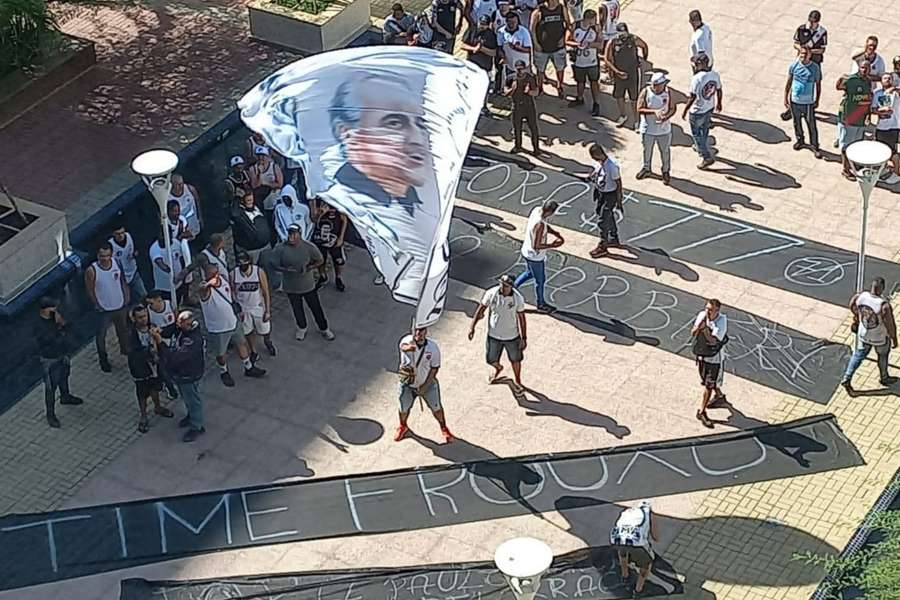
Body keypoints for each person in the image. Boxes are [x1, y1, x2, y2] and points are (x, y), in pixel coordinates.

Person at [199, 261, 267, 387]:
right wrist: (209, 284)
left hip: (233, 322)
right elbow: (202, 289)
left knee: (241, 344)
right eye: (211, 275)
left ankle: (248, 366)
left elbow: (230, 295)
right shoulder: (205, 289)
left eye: (215, 273)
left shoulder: (223, 281)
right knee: (221, 353)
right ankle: (224, 371)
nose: (215, 276)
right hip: (218, 329)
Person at [271, 223, 336, 341]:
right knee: (297, 308)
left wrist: (310, 267)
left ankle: (324, 328)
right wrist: (286, 270)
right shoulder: (280, 248)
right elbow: (274, 265)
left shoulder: (308, 247)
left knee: (316, 308)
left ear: (299, 234)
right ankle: (302, 327)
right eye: (290, 233)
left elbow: (320, 259)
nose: (291, 236)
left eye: (294, 234)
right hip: (291, 286)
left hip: (308, 285)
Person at [468, 274, 527, 390]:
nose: (503, 287)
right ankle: (498, 368)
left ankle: (518, 381)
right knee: (490, 359)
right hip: (494, 335)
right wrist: (472, 326)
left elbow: (522, 319)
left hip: (512, 336)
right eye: (501, 284)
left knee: (515, 359)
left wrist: (524, 338)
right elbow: (481, 309)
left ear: (511, 286)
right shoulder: (491, 293)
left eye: (506, 285)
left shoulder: (518, 298)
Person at [395, 327, 453, 443]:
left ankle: (444, 427)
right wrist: (409, 348)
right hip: (407, 384)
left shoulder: (433, 348)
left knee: (436, 408)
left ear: (426, 332)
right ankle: (403, 426)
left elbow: (434, 368)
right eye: (416, 330)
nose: (418, 333)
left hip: (427, 384)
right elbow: (402, 347)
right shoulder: (406, 341)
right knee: (403, 408)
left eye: (421, 331)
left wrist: (425, 386)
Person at [842, 277, 898, 393]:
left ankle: (847, 377)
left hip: (864, 335)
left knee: (857, 356)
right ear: (882, 288)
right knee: (882, 356)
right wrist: (894, 338)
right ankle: (884, 377)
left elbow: (852, 304)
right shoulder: (883, 305)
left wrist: (857, 317)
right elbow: (890, 324)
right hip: (880, 338)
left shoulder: (861, 297)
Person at [157, 310, 206, 442]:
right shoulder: (183, 329)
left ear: (189, 324)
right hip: (181, 373)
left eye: (181, 323)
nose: (177, 325)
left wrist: (160, 342)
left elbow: (175, 357)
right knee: (187, 398)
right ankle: (191, 416)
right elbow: (173, 328)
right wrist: (161, 330)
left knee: (193, 400)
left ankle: (197, 426)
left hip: (189, 375)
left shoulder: (192, 340)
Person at [34, 297, 83, 428]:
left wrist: (62, 324)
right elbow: (48, 341)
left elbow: (69, 327)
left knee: (64, 375)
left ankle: (65, 396)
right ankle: (50, 414)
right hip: (50, 359)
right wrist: (60, 329)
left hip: (62, 353)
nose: (55, 309)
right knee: (51, 386)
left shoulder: (55, 317)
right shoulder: (39, 325)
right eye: (52, 307)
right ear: (45, 309)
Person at [126, 304, 174, 433]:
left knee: (155, 387)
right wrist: (149, 351)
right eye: (140, 317)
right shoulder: (131, 333)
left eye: (145, 316)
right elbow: (132, 353)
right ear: (134, 319)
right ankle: (143, 416)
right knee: (142, 393)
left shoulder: (152, 327)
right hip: (140, 369)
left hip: (155, 366)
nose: (143, 319)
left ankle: (158, 407)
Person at [85, 242, 130, 372]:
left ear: (111, 255)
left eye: (107, 255)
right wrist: (97, 304)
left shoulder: (117, 263)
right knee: (101, 335)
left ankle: (126, 350)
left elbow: (122, 280)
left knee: (123, 330)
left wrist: (126, 295)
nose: (104, 258)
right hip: (104, 310)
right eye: (101, 256)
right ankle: (103, 359)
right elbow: (90, 289)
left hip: (120, 305)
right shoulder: (92, 270)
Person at [514, 199, 562, 312]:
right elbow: (536, 245)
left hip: (527, 251)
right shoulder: (539, 224)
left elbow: (545, 227)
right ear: (550, 212)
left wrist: (554, 232)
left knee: (529, 273)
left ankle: (513, 287)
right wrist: (552, 245)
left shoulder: (536, 210)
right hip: (534, 256)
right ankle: (541, 303)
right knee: (540, 280)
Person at [231, 250, 276, 359]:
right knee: (248, 331)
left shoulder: (258, 272)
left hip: (258, 307)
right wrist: (237, 309)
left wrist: (267, 310)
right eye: (240, 264)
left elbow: (265, 292)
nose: (243, 266)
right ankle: (253, 351)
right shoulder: (234, 274)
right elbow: (232, 291)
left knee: (264, 329)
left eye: (245, 263)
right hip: (244, 309)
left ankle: (267, 341)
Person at [691, 298, 728, 429]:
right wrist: (698, 326)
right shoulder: (702, 315)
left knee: (709, 384)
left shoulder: (721, 321)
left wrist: (705, 329)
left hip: (715, 358)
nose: (707, 312)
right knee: (705, 380)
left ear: (717, 311)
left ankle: (702, 411)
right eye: (707, 308)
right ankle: (719, 396)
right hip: (702, 355)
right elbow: (693, 332)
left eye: (711, 310)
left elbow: (713, 341)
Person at [681, 53, 722, 169]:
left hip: (697, 111)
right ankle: (701, 146)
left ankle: (706, 156)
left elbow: (692, 97)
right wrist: (719, 103)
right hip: (709, 108)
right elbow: (719, 90)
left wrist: (685, 109)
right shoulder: (714, 75)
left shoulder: (697, 79)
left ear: (700, 64)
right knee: (704, 129)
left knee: (696, 134)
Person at [611, 501, 659, 596]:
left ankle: (625, 575)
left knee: (623, 550)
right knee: (646, 564)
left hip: (615, 538)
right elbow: (656, 537)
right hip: (637, 543)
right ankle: (638, 590)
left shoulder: (627, 511)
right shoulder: (649, 512)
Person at [604, 22, 648, 127]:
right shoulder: (613, 42)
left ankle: (637, 121)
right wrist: (616, 72)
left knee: (634, 98)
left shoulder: (633, 39)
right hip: (619, 73)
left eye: (625, 33)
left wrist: (644, 59)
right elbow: (607, 59)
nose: (623, 36)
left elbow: (644, 46)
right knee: (619, 96)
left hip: (632, 72)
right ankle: (623, 115)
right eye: (621, 33)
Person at [836, 60, 873, 180]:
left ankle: (854, 165)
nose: (864, 70)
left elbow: (867, 101)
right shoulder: (851, 80)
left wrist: (868, 116)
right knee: (846, 146)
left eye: (867, 68)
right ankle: (845, 170)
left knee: (856, 145)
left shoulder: (868, 81)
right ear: (859, 68)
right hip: (849, 118)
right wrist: (841, 78)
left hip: (861, 119)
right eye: (862, 68)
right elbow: (839, 86)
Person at [636, 72, 675, 183]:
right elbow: (639, 109)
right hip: (648, 129)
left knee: (665, 152)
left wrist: (666, 117)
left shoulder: (668, 93)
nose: (656, 88)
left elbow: (673, 108)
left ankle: (666, 171)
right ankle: (646, 168)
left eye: (658, 85)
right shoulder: (645, 92)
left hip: (664, 130)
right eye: (654, 85)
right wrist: (654, 111)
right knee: (647, 150)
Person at [784, 46, 822, 158]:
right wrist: (785, 97)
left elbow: (818, 85)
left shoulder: (815, 68)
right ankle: (800, 140)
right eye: (802, 53)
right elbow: (789, 82)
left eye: (806, 54)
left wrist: (817, 99)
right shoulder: (794, 65)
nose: (803, 56)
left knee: (811, 124)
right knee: (797, 122)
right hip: (795, 101)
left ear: (810, 55)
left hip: (808, 102)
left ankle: (815, 145)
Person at [587, 144, 623, 258]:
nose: (594, 160)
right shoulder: (600, 163)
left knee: (602, 221)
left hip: (610, 195)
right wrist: (590, 176)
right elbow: (597, 171)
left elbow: (618, 183)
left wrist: (619, 200)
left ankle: (603, 245)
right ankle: (613, 237)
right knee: (606, 215)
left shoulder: (612, 167)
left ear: (599, 154)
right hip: (601, 193)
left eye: (594, 157)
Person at [566, 9, 603, 116]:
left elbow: (600, 45)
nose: (595, 21)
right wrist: (576, 45)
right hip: (579, 61)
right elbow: (567, 40)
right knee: (580, 81)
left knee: (594, 82)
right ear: (588, 19)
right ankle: (579, 98)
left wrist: (588, 45)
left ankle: (596, 103)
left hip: (592, 61)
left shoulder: (596, 28)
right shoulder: (575, 26)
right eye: (593, 19)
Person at [145, 289, 179, 400]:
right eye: (148, 303)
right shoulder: (148, 312)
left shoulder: (170, 305)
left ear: (159, 300)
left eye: (151, 303)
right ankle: (170, 389)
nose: (150, 305)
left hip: (174, 340)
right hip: (161, 342)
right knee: (163, 367)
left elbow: (177, 322)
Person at [531, 0, 569, 97]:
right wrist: (536, 44)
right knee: (540, 70)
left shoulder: (562, 8)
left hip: (558, 47)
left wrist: (564, 39)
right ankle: (540, 88)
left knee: (560, 69)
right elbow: (532, 29)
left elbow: (568, 25)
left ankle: (560, 86)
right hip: (542, 48)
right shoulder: (539, 11)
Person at [461, 14, 498, 112]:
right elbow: (463, 45)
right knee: (470, 86)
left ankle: (484, 106)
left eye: (484, 24)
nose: (482, 26)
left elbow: (493, 52)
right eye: (481, 23)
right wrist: (473, 48)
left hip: (485, 66)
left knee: (485, 87)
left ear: (489, 25)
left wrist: (482, 49)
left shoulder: (491, 35)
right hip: (471, 65)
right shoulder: (472, 30)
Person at [505, 60, 542, 155]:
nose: (520, 71)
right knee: (517, 128)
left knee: (533, 128)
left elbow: (536, 92)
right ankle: (518, 146)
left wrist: (529, 92)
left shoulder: (531, 78)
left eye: (521, 69)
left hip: (529, 106)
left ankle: (536, 148)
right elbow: (505, 92)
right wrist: (512, 89)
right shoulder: (510, 78)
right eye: (518, 69)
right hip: (516, 106)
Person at [312, 198, 349, 292]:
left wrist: (341, 238)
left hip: (334, 237)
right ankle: (322, 276)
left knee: (338, 260)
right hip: (320, 237)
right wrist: (321, 213)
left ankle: (338, 278)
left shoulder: (337, 200)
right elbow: (314, 220)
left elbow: (344, 219)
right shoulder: (318, 202)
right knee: (320, 259)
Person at [872, 73, 900, 184]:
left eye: (889, 78)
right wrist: (879, 112)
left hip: (893, 126)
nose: (887, 80)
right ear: (881, 80)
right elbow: (873, 108)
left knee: (892, 151)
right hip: (881, 127)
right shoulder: (877, 93)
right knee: (881, 149)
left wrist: (892, 89)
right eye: (885, 78)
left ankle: (897, 172)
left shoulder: (895, 93)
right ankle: (883, 170)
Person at [248, 146, 284, 234]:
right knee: (269, 223)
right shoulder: (253, 169)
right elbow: (254, 185)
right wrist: (259, 174)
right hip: (263, 200)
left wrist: (266, 184)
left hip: (275, 198)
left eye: (263, 156)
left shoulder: (274, 167)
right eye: (259, 156)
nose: (261, 158)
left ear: (267, 156)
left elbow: (279, 184)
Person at [231, 189, 272, 263]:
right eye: (248, 200)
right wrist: (237, 198)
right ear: (243, 201)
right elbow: (234, 214)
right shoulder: (239, 213)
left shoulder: (258, 205)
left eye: (251, 200)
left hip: (266, 247)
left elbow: (266, 190)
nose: (250, 202)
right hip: (252, 251)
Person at [149, 230, 188, 306]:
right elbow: (160, 264)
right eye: (162, 235)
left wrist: (182, 274)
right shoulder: (154, 249)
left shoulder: (176, 243)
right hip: (164, 286)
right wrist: (170, 272)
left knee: (177, 302)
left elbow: (181, 259)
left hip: (178, 283)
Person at [109, 223, 146, 302]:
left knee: (143, 295)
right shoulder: (110, 245)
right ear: (113, 234)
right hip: (120, 277)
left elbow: (138, 248)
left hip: (133, 271)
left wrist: (136, 253)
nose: (121, 235)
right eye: (118, 234)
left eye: (122, 232)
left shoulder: (129, 236)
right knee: (125, 300)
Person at [498, 10, 533, 78]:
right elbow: (499, 48)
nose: (512, 24)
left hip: (524, 66)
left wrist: (516, 48)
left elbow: (529, 50)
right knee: (510, 86)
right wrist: (503, 57)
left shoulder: (524, 31)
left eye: (514, 22)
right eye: (510, 22)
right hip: (510, 66)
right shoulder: (501, 32)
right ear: (506, 22)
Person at [168, 174, 202, 241]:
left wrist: (200, 217)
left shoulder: (190, 189)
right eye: (178, 184)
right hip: (182, 235)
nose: (181, 186)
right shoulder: (168, 198)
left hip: (195, 228)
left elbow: (197, 201)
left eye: (182, 183)